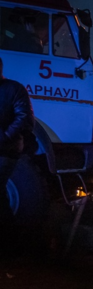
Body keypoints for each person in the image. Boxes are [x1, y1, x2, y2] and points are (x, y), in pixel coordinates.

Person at [0, 56, 36, 249]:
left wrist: (5, 137)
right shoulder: (15, 89)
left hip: (6, 150)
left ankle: (11, 241)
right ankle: (12, 241)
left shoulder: (14, 89)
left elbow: (24, 117)